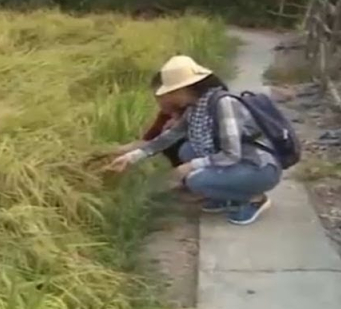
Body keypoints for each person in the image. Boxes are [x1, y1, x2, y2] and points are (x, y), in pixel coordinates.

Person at [108, 55, 282, 226]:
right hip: (239, 164)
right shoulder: (196, 107)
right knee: (186, 150)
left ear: (185, 88)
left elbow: (231, 155)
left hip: (259, 167)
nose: (169, 97)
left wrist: (191, 166)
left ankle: (255, 199)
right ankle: (226, 196)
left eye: (171, 92)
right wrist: (130, 158)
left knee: (195, 180)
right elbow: (169, 137)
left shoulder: (224, 104)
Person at [114, 72, 185, 168]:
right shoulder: (166, 114)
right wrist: (114, 151)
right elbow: (148, 142)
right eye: (156, 97)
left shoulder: (196, 111)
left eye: (161, 97)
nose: (159, 102)